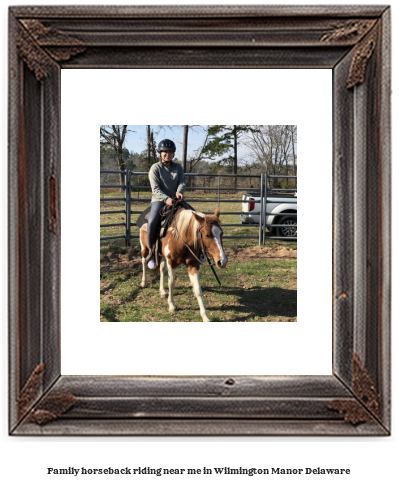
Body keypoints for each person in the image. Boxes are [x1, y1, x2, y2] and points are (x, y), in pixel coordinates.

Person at [146, 139, 186, 269]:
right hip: (159, 200)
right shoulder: (155, 168)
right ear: (160, 153)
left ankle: (199, 251)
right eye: (165, 152)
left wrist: (179, 192)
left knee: (194, 217)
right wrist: (166, 199)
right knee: (152, 222)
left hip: (176, 199)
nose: (167, 154)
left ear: (173, 154)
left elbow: (182, 182)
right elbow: (155, 189)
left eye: (170, 152)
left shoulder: (178, 167)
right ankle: (151, 253)